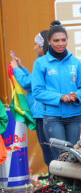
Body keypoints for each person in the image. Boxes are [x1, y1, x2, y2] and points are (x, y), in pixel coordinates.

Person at [32, 21, 81, 160]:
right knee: (61, 155)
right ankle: (62, 183)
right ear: (48, 41)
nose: (60, 43)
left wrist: (76, 96)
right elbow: (37, 91)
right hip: (52, 117)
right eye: (56, 40)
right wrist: (60, 97)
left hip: (74, 116)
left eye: (63, 40)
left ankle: (74, 183)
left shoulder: (75, 62)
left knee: (74, 155)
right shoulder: (41, 63)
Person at [10, 30, 54, 166]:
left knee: (49, 153)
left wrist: (15, 69)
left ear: (42, 46)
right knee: (51, 151)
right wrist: (22, 68)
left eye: (36, 45)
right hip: (44, 113)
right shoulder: (47, 61)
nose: (34, 47)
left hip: (42, 114)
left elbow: (27, 83)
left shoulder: (42, 61)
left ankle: (54, 183)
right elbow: (32, 83)